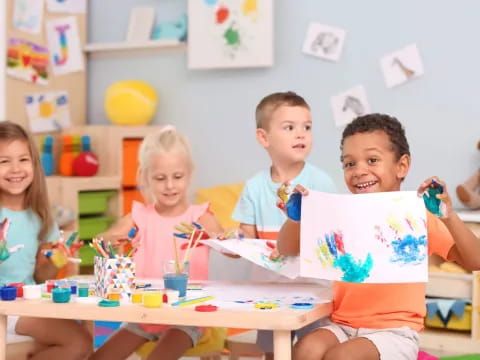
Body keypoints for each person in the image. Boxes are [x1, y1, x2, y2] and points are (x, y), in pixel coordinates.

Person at [277, 113, 480, 360]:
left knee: (342, 357)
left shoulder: (415, 216)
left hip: (394, 332)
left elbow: (475, 260)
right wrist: (297, 217)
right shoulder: (338, 214)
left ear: (401, 166)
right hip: (343, 324)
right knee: (305, 348)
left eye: (372, 160)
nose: (359, 171)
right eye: (349, 163)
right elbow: (286, 248)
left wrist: (448, 216)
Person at [91, 126, 225, 360]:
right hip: (145, 314)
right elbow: (103, 240)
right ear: (146, 177)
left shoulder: (201, 216)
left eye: (178, 177)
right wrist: (112, 241)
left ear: (189, 175)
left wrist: (224, 238)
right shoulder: (138, 216)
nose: (170, 186)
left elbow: (227, 244)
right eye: (160, 178)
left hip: (187, 316)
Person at [232, 91, 336, 359]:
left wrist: (291, 245)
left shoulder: (321, 183)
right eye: (289, 128)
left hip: (313, 290)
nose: (301, 134)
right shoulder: (254, 187)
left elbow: (332, 237)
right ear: (263, 138)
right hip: (269, 291)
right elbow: (247, 237)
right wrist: (233, 243)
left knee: (314, 349)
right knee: (272, 351)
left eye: (307, 127)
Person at [0, 121, 92, 359]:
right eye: (4, 161)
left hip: (28, 301)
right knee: (80, 342)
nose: (15, 169)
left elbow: (41, 276)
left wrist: (57, 260)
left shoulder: (40, 216)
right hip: (6, 308)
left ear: (34, 164)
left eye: (23, 159)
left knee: (81, 335)